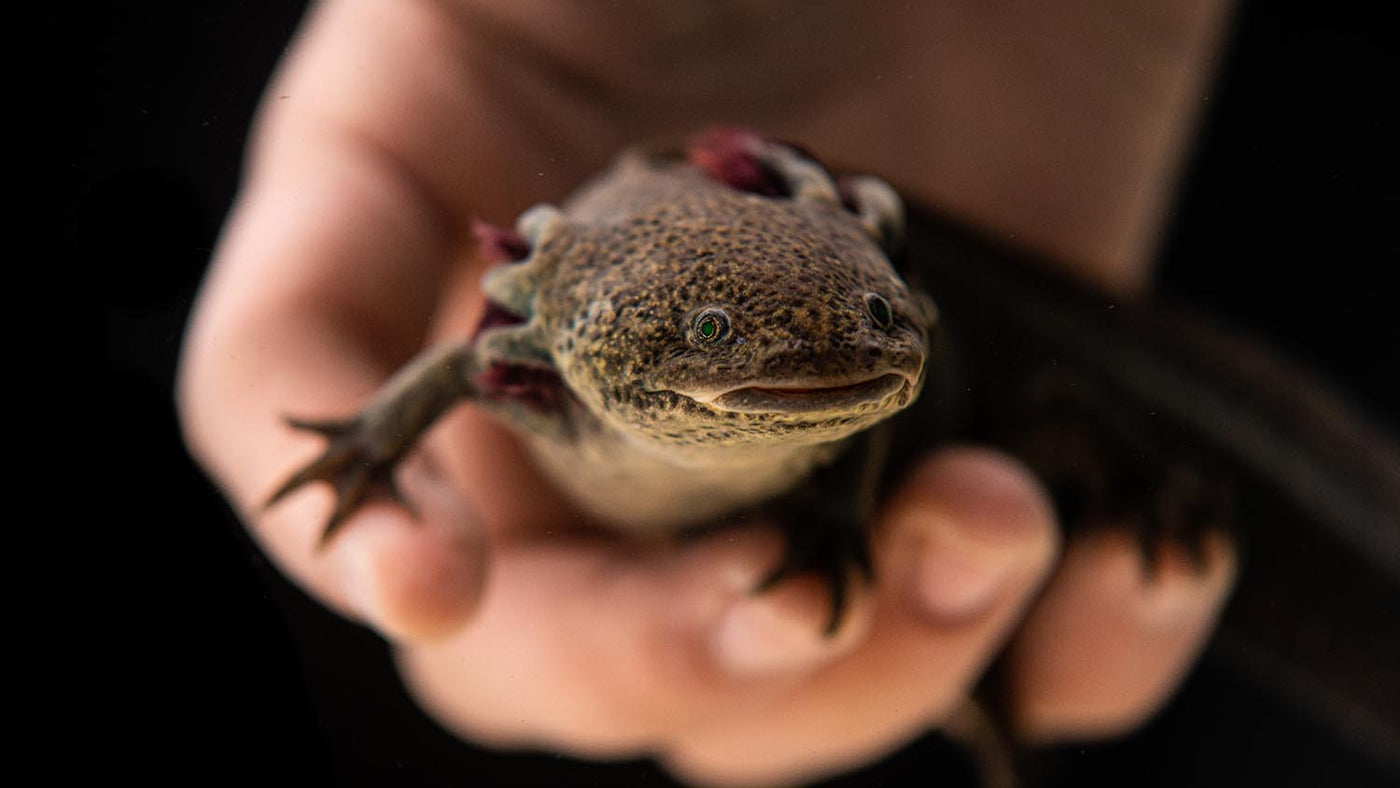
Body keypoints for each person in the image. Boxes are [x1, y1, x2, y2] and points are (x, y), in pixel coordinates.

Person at [177, 2, 1237, 784]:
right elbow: (461, 363)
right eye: (720, 336)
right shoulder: (549, 345)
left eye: (877, 317)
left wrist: (831, 500)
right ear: (546, 331)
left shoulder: (862, 331)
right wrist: (373, 434)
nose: (825, 360)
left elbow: (870, 373)